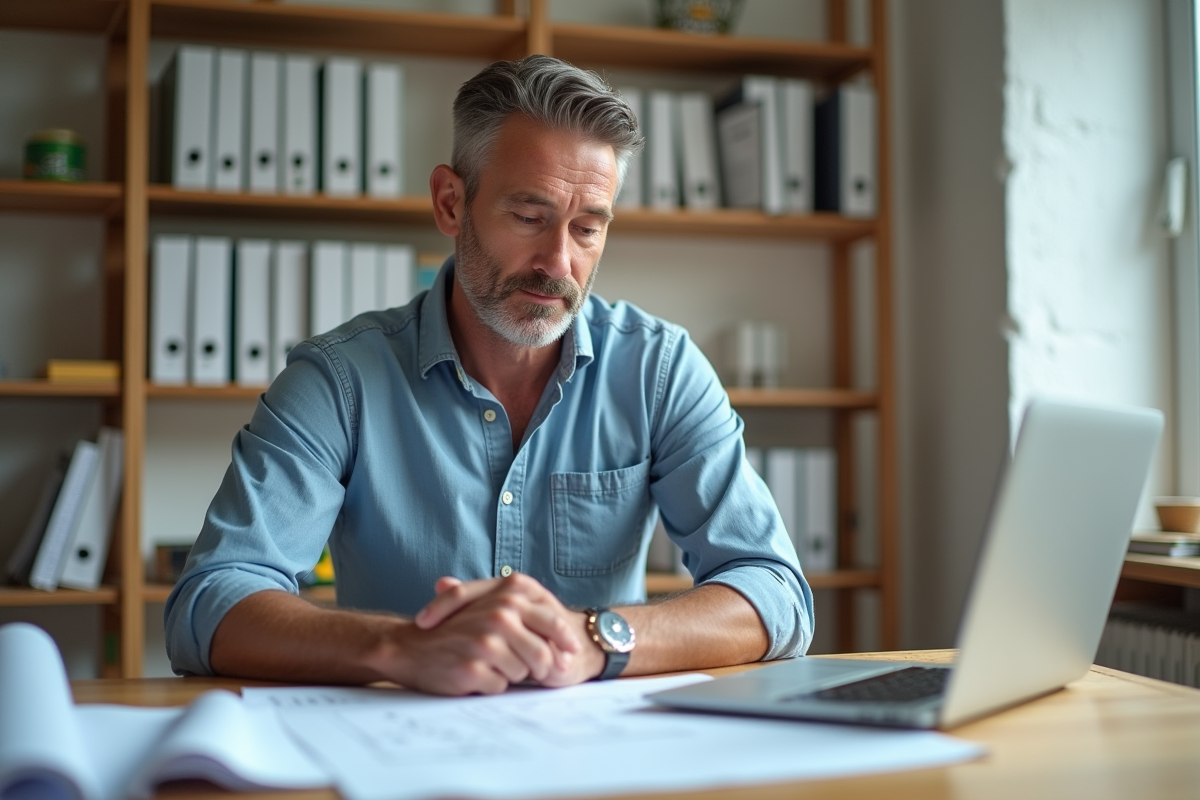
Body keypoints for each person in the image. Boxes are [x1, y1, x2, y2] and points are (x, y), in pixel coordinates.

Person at [164, 55, 813, 695]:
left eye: (588, 228)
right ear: (451, 203)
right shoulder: (339, 380)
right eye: (529, 218)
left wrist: (592, 640)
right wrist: (400, 648)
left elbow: (775, 591)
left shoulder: (658, 370)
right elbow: (210, 601)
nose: (558, 262)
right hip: (400, 738)